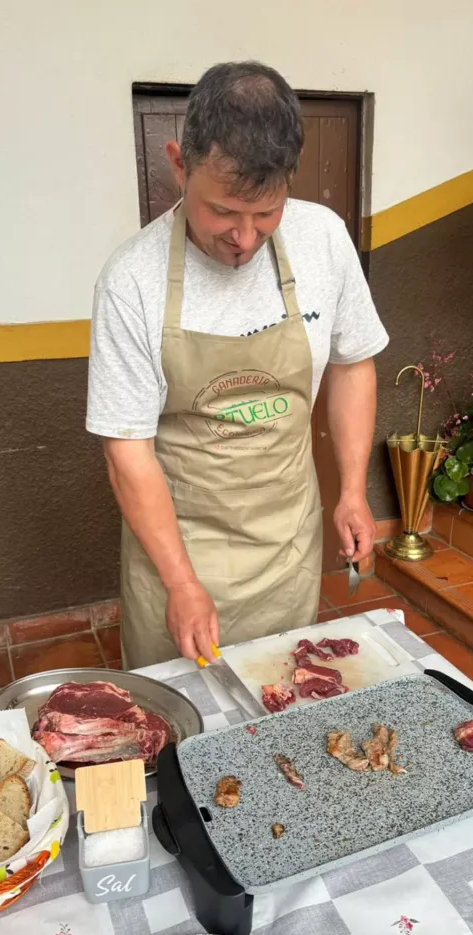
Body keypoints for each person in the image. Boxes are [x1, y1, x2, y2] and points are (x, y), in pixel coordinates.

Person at [86, 61, 388, 670]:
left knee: (283, 712)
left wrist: (354, 491)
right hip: (180, 549)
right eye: (224, 210)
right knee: (182, 734)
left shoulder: (324, 240)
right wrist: (179, 583)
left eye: (266, 212)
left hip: (285, 545)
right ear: (179, 164)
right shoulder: (132, 280)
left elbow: (353, 364)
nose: (245, 238)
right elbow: (126, 450)